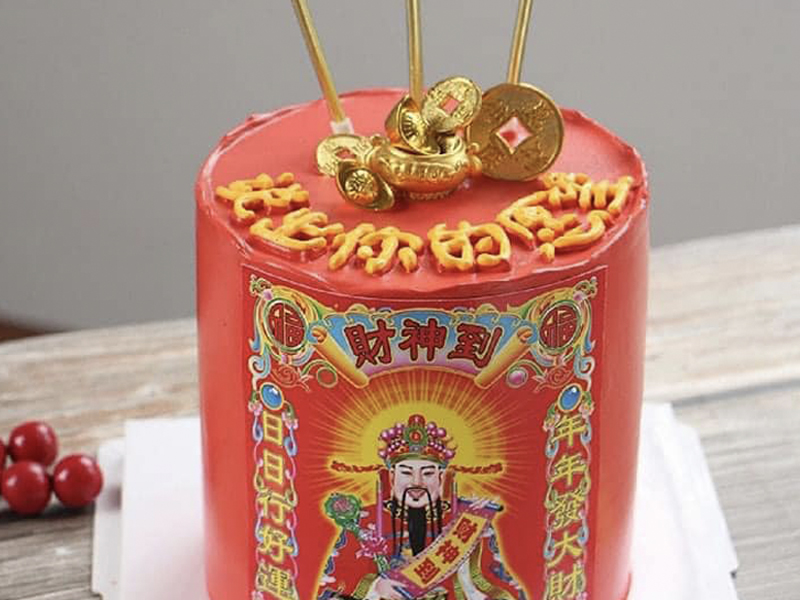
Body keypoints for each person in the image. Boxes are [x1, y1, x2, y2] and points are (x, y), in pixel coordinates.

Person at [318, 414, 525, 600]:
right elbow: (334, 583)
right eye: (406, 473)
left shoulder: (466, 520)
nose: (417, 482)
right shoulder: (365, 520)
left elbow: (494, 581)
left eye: (427, 473)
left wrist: (473, 531)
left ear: (441, 478)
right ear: (392, 477)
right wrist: (375, 587)